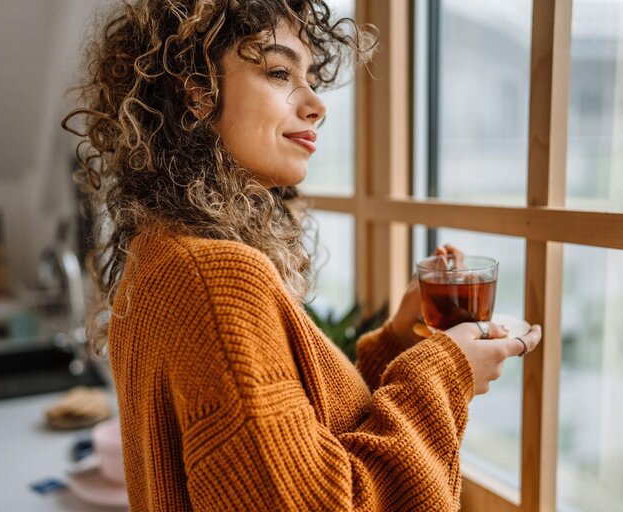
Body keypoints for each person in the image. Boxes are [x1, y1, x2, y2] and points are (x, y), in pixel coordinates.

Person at [63, 1, 542, 510]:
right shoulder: (215, 277)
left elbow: (293, 443)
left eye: (310, 77)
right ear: (199, 94)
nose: (317, 104)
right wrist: (446, 371)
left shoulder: (161, 254)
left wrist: (400, 344)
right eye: (278, 71)